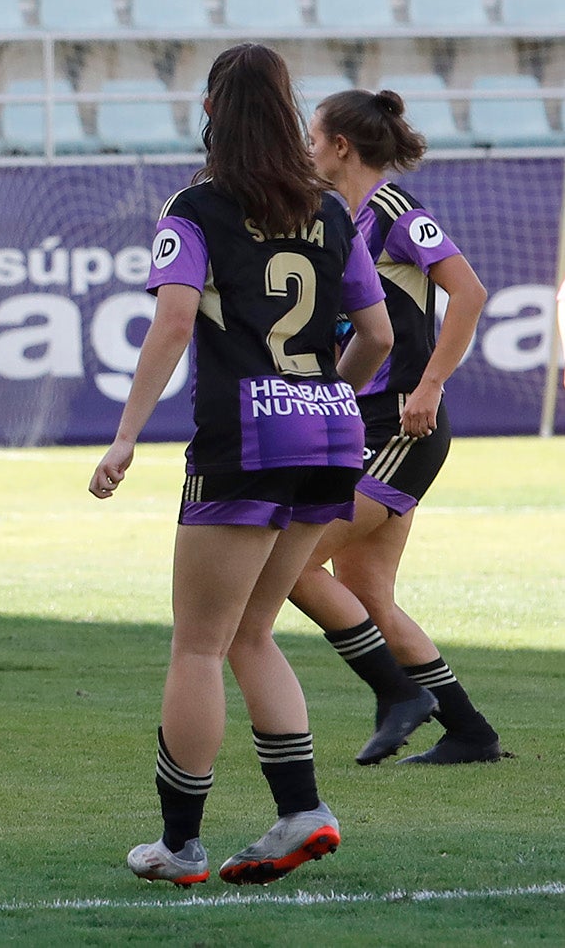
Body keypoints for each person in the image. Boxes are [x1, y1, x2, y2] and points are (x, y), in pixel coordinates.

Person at [89, 43, 393, 887]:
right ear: (291, 112)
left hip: (243, 442)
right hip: (330, 439)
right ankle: (302, 809)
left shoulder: (195, 206)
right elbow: (379, 338)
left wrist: (124, 435)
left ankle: (179, 844)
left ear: (213, 111)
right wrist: (327, 396)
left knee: (199, 643)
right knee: (254, 631)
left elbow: (175, 323)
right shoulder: (331, 210)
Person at [287, 89, 502, 766]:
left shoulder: (393, 211)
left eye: (314, 138)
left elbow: (468, 291)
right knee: (366, 591)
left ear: (342, 147)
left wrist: (431, 382)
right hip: (368, 425)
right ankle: (469, 731)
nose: (307, 149)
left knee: (289, 561)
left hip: (402, 428)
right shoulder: (339, 218)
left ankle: (398, 694)